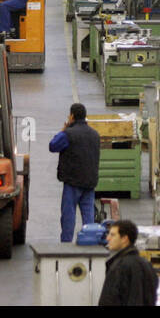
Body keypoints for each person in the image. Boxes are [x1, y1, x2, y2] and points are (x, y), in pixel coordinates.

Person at [48, 103, 100, 242]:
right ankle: (91, 242)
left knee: (68, 216)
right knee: (88, 216)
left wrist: (63, 129)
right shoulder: (95, 135)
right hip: (90, 182)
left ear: (71, 116)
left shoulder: (68, 134)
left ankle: (66, 244)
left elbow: (53, 146)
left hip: (72, 182)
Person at [98, 220, 159, 306]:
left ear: (124, 239)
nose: (108, 238)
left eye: (112, 235)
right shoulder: (147, 266)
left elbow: (109, 300)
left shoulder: (118, 267)